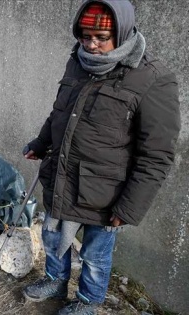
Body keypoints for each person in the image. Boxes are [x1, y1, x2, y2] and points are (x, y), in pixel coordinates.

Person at [21, 0, 181, 314]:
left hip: (106, 194)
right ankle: (55, 280)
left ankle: (88, 302)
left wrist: (129, 207)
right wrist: (41, 143)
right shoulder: (77, 61)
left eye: (100, 38)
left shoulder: (153, 78)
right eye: (85, 35)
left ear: (121, 33)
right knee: (53, 237)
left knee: (95, 256)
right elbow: (60, 113)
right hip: (63, 175)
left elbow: (157, 155)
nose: (91, 44)